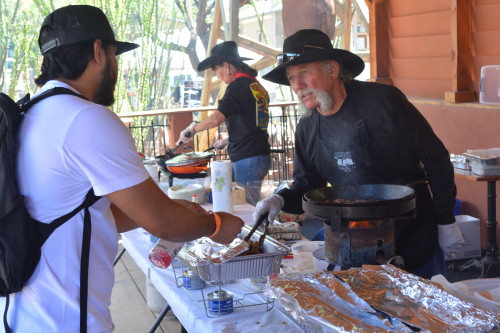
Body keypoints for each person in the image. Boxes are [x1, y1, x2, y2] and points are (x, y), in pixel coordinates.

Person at [10, 5, 243, 332]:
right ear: (97, 52)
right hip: (66, 321)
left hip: (24, 315)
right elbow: (166, 226)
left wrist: (160, 208)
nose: (116, 65)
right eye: (114, 54)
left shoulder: (33, 114)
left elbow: (80, 213)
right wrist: (215, 224)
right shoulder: (85, 118)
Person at [254, 29, 464, 279]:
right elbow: (307, 186)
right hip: (351, 241)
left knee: (425, 314)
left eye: (304, 73)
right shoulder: (307, 128)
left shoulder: (383, 101)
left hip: (413, 234)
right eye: (291, 78)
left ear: (332, 69)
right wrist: (278, 199)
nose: (297, 86)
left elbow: (436, 158)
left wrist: (445, 219)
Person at [176, 41, 271, 205]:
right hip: (256, 154)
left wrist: (191, 130)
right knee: (246, 204)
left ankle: (255, 231)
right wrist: (228, 139)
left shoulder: (237, 86)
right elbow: (252, 124)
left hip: (247, 157)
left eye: (217, 70)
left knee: (245, 206)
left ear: (226, 66)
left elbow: (216, 118)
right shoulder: (255, 85)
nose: (217, 76)